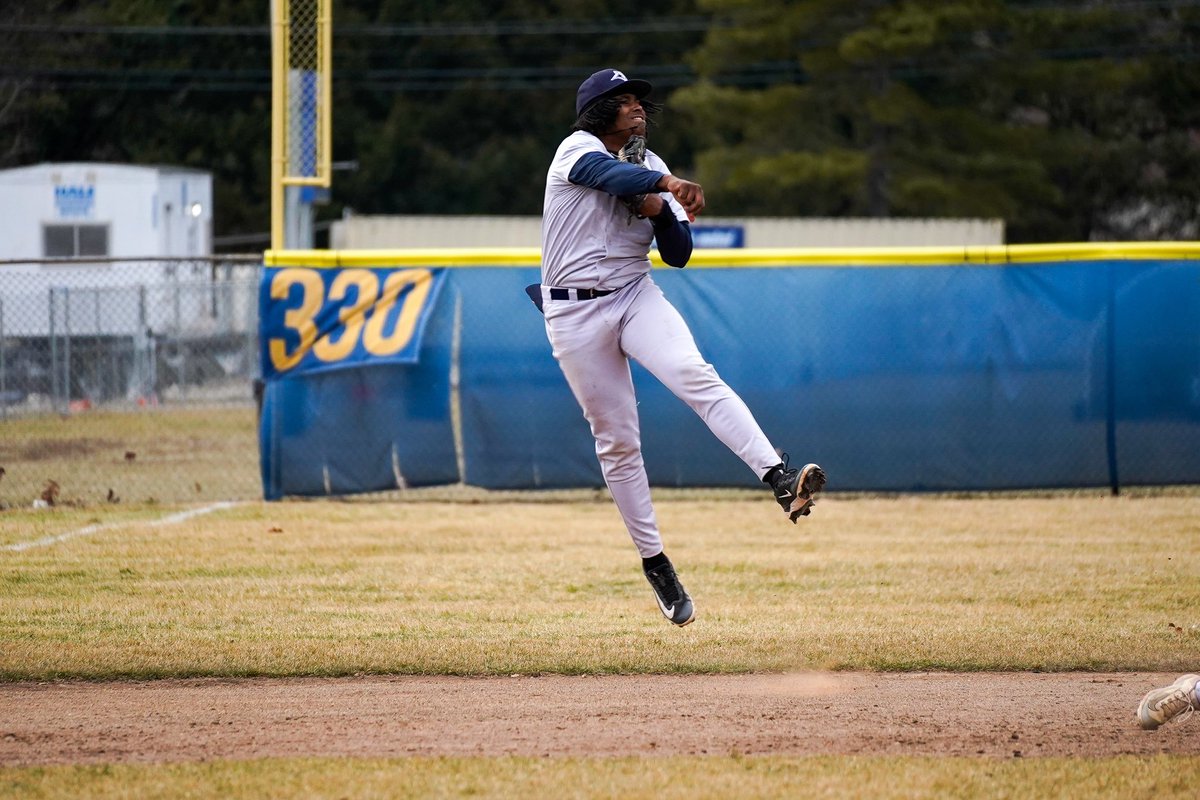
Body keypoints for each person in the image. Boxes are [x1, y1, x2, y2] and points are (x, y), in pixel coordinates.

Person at [532, 67, 826, 627]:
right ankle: (656, 562)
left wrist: (659, 209)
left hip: (633, 294)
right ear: (597, 111)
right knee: (617, 442)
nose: (637, 106)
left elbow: (679, 252)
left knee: (694, 374)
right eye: (623, 100)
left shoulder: (652, 165)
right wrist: (662, 188)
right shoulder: (576, 149)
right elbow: (604, 174)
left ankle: (779, 477)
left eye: (640, 99)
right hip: (573, 312)